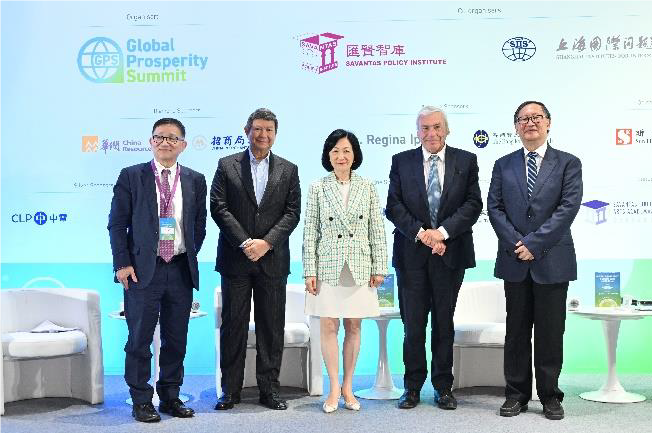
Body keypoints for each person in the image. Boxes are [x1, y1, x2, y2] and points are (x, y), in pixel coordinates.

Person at [487, 101, 582, 420]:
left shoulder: (568, 163)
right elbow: (494, 208)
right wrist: (519, 244)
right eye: (523, 119)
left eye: (536, 117)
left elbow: (568, 208)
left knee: (550, 333)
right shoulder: (503, 164)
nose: (530, 123)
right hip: (514, 260)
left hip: (552, 260)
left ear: (548, 123)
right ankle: (515, 395)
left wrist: (534, 244)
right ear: (516, 127)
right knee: (515, 333)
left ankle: (550, 396)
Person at [108, 118, 207, 423]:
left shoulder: (195, 179)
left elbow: (199, 225)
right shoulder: (131, 176)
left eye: (172, 138)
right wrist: (122, 263)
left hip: (179, 269)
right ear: (151, 142)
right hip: (141, 271)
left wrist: (188, 253)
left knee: (176, 339)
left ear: (183, 145)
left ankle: (170, 395)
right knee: (139, 339)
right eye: (160, 137)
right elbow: (117, 224)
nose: (166, 142)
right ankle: (141, 399)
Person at [386, 106, 482, 410]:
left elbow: (473, 205)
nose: (431, 133)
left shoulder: (466, 161)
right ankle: (412, 387)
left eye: (437, 127)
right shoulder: (401, 161)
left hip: (450, 254)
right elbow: (393, 206)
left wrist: (441, 234)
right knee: (413, 326)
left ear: (447, 129)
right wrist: (424, 235)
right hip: (411, 256)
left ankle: (443, 387)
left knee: (444, 324)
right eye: (425, 128)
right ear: (417, 132)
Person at [211, 108, 301, 411]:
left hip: (272, 261)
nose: (263, 135)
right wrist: (246, 242)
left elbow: (292, 213)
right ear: (247, 130)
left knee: (271, 329)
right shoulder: (227, 165)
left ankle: (270, 390)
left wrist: (267, 243)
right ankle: (230, 391)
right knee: (233, 326)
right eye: (258, 129)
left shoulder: (289, 169)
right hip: (236, 259)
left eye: (269, 130)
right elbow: (219, 207)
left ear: (275, 134)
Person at [303, 129, 388, 413]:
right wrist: (309, 271)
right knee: (328, 326)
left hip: (359, 264)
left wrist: (379, 266)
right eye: (336, 151)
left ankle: (348, 387)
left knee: (354, 326)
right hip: (328, 265)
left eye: (347, 151)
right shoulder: (317, 187)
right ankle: (333, 388)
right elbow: (310, 232)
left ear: (355, 155)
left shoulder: (367, 186)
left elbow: (377, 228)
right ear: (328, 155)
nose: (341, 156)